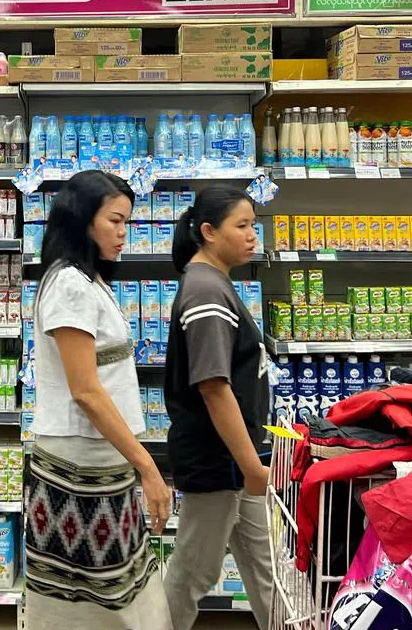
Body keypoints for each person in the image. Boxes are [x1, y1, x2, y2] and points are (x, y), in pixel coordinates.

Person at [25, 170, 173, 630]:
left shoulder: (88, 281)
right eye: (115, 221)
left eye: (127, 222)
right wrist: (147, 466)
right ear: (83, 220)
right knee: (92, 598)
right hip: (79, 463)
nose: (124, 233)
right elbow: (86, 390)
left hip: (100, 459)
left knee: (113, 590)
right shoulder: (69, 285)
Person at [162, 186, 273, 630]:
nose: (252, 235)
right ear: (208, 232)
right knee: (193, 572)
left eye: (253, 225)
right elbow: (213, 387)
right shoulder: (206, 291)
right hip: (221, 460)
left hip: (237, 460)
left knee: (267, 568)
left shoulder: (213, 281)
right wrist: (250, 466)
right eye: (241, 226)